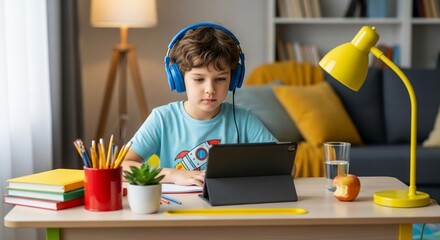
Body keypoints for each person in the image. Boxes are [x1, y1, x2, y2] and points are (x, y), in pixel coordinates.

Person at [122, 22, 277, 186]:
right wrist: (173, 175)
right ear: (180, 79)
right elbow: (120, 167)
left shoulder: (244, 119)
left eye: (220, 79)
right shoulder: (162, 118)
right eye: (198, 79)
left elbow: (287, 167)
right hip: (179, 208)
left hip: (228, 208)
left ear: (233, 79)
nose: (210, 89)